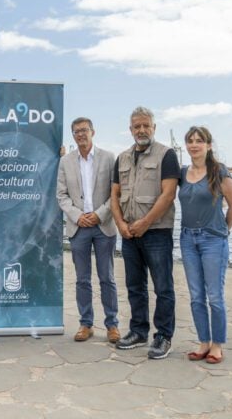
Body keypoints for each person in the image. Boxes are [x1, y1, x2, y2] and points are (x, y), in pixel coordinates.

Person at [110, 106, 179, 359]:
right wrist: (120, 224)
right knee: (134, 286)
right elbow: (114, 195)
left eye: (145, 125)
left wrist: (146, 222)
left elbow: (169, 194)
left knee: (163, 287)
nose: (141, 130)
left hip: (157, 233)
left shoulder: (166, 155)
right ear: (130, 130)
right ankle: (138, 331)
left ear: (153, 128)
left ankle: (163, 336)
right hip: (129, 234)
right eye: (136, 126)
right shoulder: (123, 158)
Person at [179, 126, 232, 364]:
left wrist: (222, 232)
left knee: (215, 296)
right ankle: (203, 342)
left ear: (208, 145)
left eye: (199, 141)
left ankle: (217, 345)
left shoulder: (219, 171)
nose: (194, 145)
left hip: (213, 240)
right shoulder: (182, 173)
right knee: (196, 296)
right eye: (190, 141)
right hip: (187, 239)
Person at [57, 117, 119, 343]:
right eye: (76, 132)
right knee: (82, 279)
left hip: (103, 226)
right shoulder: (66, 162)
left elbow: (116, 193)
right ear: (73, 135)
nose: (80, 134)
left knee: (107, 278)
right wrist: (77, 216)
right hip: (78, 227)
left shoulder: (109, 158)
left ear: (93, 131)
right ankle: (86, 324)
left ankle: (112, 325)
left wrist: (100, 214)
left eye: (84, 130)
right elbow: (61, 195)